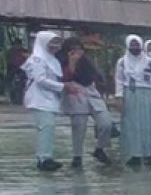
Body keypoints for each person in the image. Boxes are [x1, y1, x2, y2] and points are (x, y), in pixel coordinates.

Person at [58, 37, 113, 168]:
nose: (78, 52)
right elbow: (65, 77)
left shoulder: (88, 61)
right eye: (74, 50)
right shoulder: (61, 61)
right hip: (75, 91)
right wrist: (72, 62)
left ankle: (99, 149)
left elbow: (96, 77)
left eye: (79, 49)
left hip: (91, 91)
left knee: (106, 124)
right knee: (79, 126)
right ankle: (77, 157)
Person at [23, 31, 70, 172]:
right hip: (39, 98)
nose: (55, 46)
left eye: (57, 43)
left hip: (48, 98)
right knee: (45, 127)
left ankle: (46, 157)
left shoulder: (51, 59)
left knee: (48, 128)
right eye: (51, 43)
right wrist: (63, 87)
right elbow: (40, 79)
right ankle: (44, 159)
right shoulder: (37, 59)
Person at [114, 35, 151, 167]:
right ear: (128, 46)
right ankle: (134, 154)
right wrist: (119, 97)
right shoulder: (122, 62)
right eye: (132, 45)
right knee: (131, 125)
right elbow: (119, 80)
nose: (135, 47)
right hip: (130, 94)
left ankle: (150, 154)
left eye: (137, 44)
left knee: (148, 124)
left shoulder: (150, 62)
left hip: (147, 94)